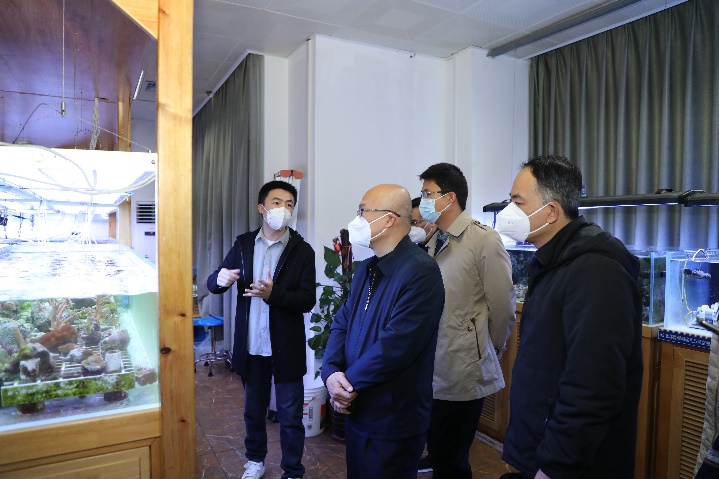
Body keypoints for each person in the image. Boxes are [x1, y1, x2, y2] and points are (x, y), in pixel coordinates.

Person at [498, 155, 643, 479]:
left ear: (551, 212)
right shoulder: (553, 262)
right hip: (542, 453)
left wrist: (554, 466)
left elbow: (592, 387)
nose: (509, 211)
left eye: (518, 202)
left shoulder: (596, 272)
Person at [321, 184, 445, 479]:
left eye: (363, 210)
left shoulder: (421, 271)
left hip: (393, 415)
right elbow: (342, 322)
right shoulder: (366, 269)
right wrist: (331, 371)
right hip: (358, 407)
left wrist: (346, 386)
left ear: (389, 219)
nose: (357, 219)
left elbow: (396, 346)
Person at [207, 180, 316, 479]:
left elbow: (307, 300)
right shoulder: (243, 244)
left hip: (286, 347)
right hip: (251, 344)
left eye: (290, 204)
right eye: (277, 202)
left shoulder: (302, 250)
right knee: (253, 411)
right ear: (262, 208)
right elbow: (215, 281)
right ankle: (255, 461)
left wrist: (274, 295)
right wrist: (220, 279)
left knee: (291, 416)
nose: (284, 209)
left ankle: (292, 470)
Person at [417, 163, 517, 479]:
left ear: (449, 197)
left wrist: (485, 348)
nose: (423, 200)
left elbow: (503, 306)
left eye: (427, 193)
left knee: (453, 460)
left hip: (463, 367)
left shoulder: (483, 239)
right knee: (438, 450)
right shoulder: (432, 240)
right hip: (432, 366)